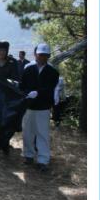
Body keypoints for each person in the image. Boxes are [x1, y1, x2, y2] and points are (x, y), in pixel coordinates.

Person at [20, 43, 59, 172]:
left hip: (43, 106)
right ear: (36, 54)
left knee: (42, 134)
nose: (42, 57)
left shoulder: (52, 72)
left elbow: (50, 89)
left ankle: (43, 160)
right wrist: (27, 93)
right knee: (28, 133)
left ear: (48, 56)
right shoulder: (28, 69)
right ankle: (28, 155)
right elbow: (22, 85)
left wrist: (38, 92)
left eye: (45, 55)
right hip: (29, 106)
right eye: (40, 54)